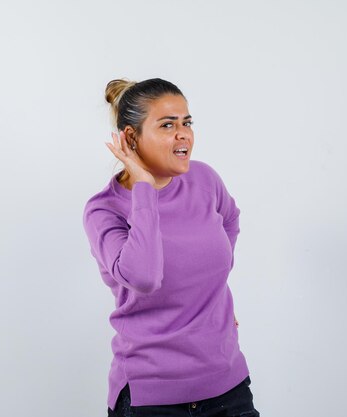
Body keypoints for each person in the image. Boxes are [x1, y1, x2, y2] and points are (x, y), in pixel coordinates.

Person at [82, 78, 260, 417]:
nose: (184, 135)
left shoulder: (205, 180)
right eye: (167, 125)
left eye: (187, 123)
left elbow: (231, 220)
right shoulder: (103, 210)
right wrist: (144, 189)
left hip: (228, 388)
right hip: (152, 399)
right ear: (130, 138)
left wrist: (210, 292)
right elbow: (144, 277)